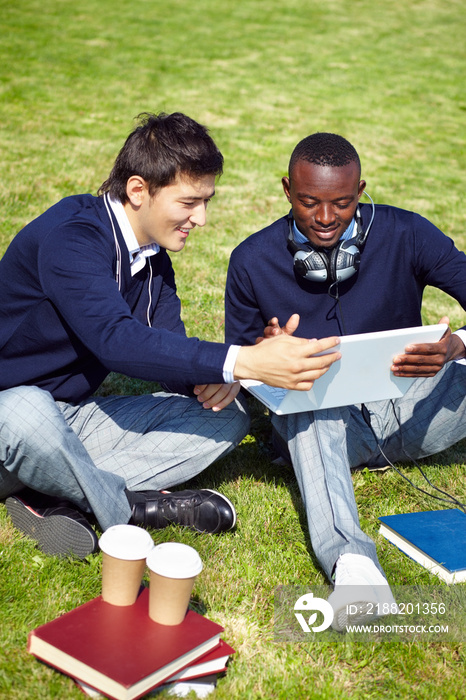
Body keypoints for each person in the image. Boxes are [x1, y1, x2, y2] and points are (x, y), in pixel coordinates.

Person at [0, 114, 341, 560]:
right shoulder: (73, 238)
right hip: (11, 414)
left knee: (227, 416)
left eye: (207, 201)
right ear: (138, 190)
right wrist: (241, 361)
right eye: (189, 203)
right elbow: (116, 341)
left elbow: (170, 357)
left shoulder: (153, 258)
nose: (201, 218)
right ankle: (134, 508)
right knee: (27, 411)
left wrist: (238, 367)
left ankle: (58, 493)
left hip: (68, 419)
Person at [224, 131, 466, 631]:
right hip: (325, 423)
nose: (327, 218)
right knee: (303, 389)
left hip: (413, 407)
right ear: (287, 190)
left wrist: (456, 345)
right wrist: (266, 357)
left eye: (342, 202)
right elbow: (239, 376)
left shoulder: (408, 233)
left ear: (362, 192)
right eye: (310, 202)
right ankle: (357, 572)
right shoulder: (250, 260)